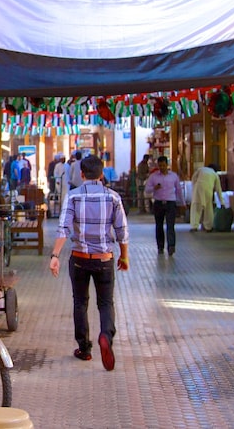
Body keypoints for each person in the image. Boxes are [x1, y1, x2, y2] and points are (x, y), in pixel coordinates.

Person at [49, 155, 128, 371]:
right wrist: (124, 256)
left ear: (81, 174)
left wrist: (55, 256)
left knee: (80, 302)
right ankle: (106, 335)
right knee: (105, 303)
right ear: (102, 174)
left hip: (80, 260)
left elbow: (64, 228)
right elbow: (122, 231)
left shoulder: (73, 197)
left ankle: (84, 348)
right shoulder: (113, 197)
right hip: (105, 259)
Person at [144, 156, 186, 256]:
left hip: (170, 203)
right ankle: (160, 246)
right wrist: (154, 188)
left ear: (167, 165)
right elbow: (147, 189)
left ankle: (171, 246)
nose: (162, 167)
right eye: (160, 166)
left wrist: (182, 202)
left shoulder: (174, 176)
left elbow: (179, 190)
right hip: (158, 203)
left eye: (163, 165)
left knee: (170, 225)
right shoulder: (154, 176)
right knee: (159, 226)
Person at [189, 164, 224, 232]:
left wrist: (194, 187)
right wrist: (222, 202)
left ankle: (194, 226)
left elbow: (193, 178)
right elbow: (218, 189)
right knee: (208, 209)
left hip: (198, 189)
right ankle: (208, 227)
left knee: (196, 207)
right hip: (208, 190)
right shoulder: (215, 174)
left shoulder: (201, 169)